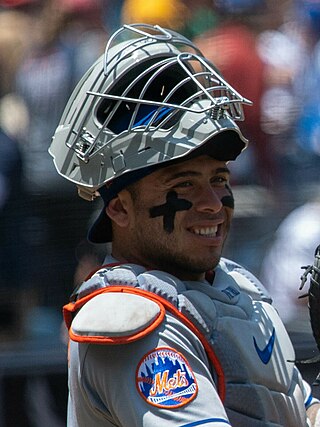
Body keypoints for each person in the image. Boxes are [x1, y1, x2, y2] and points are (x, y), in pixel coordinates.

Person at [49, 23, 320, 426]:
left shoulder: (235, 285)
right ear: (119, 209)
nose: (212, 204)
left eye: (218, 180)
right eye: (184, 185)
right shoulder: (131, 320)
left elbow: (301, 413)